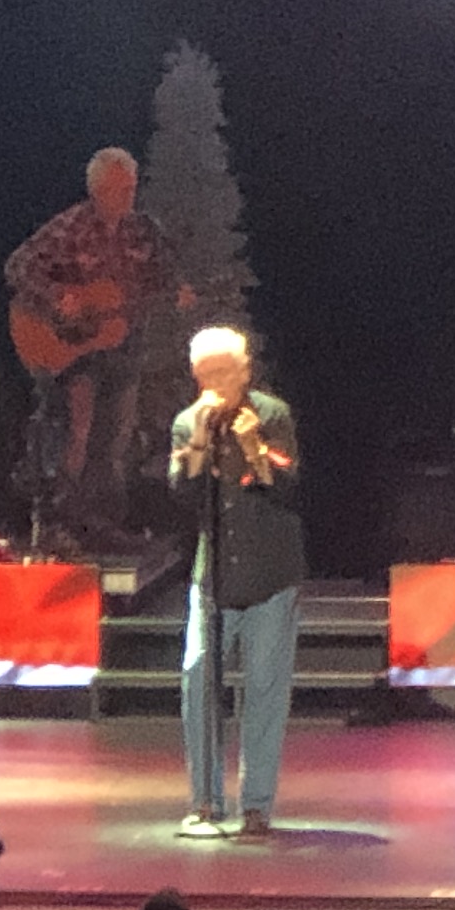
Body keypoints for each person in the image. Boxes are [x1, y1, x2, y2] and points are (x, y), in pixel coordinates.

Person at [6, 149, 188, 551]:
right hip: (74, 354)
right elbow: (17, 266)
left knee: (115, 439)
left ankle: (104, 527)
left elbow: (162, 277)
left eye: (131, 188)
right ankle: (63, 524)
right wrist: (60, 298)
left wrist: (178, 292)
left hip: (122, 350)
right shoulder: (72, 226)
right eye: (119, 189)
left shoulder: (143, 231)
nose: (128, 197)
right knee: (78, 433)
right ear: (97, 190)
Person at [168, 325, 302, 839]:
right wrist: (200, 442)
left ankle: (257, 806)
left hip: (271, 573)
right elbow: (181, 494)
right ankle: (204, 802)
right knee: (199, 679)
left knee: (265, 690)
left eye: (226, 373)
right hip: (215, 576)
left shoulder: (272, 415)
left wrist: (254, 447)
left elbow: (288, 487)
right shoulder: (187, 423)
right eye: (207, 376)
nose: (217, 384)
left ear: (245, 372)